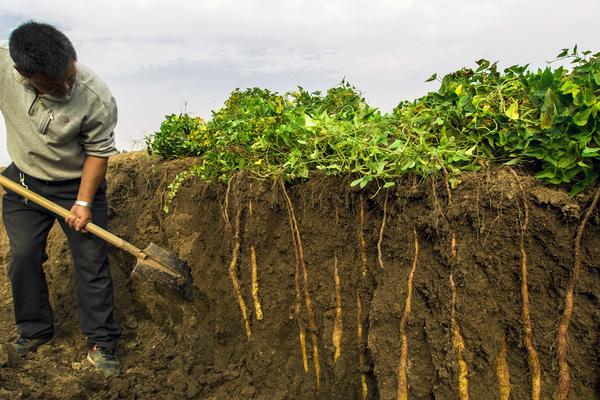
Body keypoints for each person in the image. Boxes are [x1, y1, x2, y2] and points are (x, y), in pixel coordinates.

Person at [0, 21, 121, 377]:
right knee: (22, 257)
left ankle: (103, 343)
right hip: (23, 181)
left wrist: (83, 203)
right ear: (24, 75)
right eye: (54, 85)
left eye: (70, 76)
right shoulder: (4, 65)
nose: (67, 87)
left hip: (76, 183)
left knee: (91, 262)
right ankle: (34, 330)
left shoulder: (96, 96)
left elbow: (99, 152)